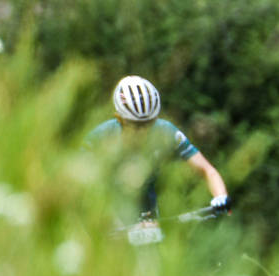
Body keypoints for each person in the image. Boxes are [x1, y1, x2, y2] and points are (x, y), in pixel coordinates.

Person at [85, 75, 229, 223]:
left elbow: (207, 170)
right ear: (120, 119)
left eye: (148, 123)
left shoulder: (166, 131)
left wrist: (221, 196)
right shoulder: (100, 137)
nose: (142, 131)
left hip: (149, 218)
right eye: (135, 125)